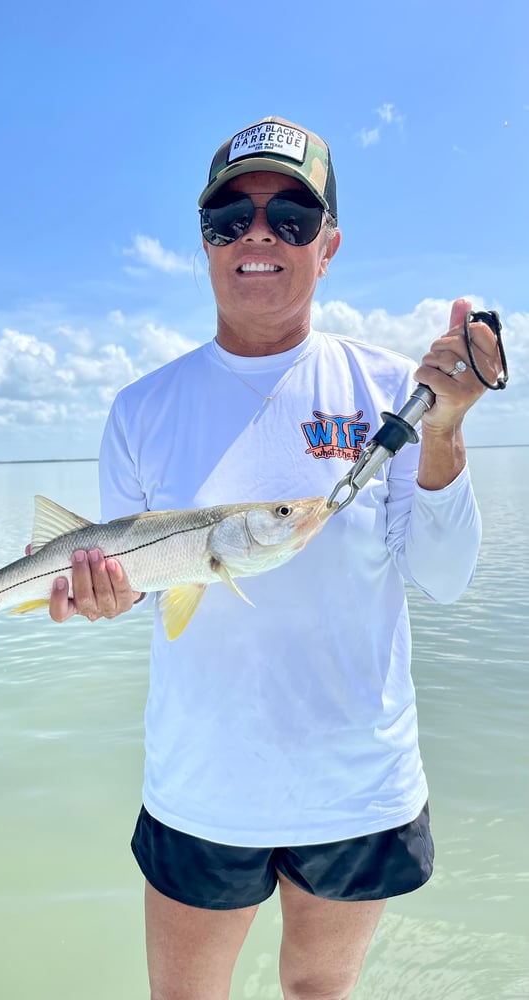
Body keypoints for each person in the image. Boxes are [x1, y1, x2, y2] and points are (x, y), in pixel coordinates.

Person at [45, 116, 503, 1000]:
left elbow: (444, 578)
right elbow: (141, 588)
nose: (260, 234)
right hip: (202, 783)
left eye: (292, 215)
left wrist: (442, 430)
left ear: (327, 246)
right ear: (205, 243)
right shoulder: (141, 409)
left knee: (318, 993)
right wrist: (97, 597)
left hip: (357, 783)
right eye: (231, 216)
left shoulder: (391, 393)